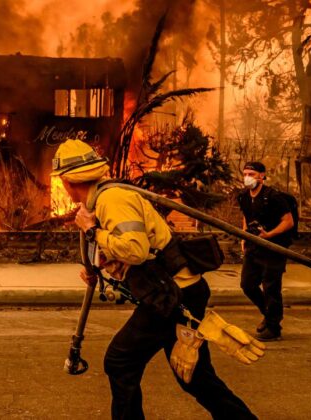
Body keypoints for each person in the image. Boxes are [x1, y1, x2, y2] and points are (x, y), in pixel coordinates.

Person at [53, 139, 256, 420]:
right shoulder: (99, 201)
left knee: (120, 361)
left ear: (67, 180)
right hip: (176, 293)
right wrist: (95, 267)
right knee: (194, 378)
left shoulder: (112, 199)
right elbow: (121, 246)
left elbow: (135, 250)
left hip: (173, 296)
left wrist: (90, 231)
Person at [237, 161, 294, 341]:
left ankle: (273, 327)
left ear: (262, 176)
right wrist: (243, 237)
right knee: (247, 284)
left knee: (271, 288)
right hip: (253, 247)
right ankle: (269, 316)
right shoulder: (244, 197)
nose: (247, 178)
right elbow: (246, 218)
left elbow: (288, 221)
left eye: (252, 174)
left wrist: (269, 235)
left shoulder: (274, 197)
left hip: (273, 248)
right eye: (245, 174)